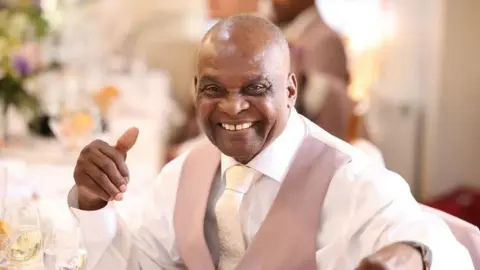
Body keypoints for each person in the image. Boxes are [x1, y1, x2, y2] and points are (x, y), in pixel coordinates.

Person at [68, 15, 473, 269]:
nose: (233, 107)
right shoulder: (183, 174)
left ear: (291, 91)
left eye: (255, 88)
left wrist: (406, 255)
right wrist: (92, 202)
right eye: (214, 89)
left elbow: (439, 245)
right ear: (195, 90)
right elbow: (138, 262)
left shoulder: (350, 179)